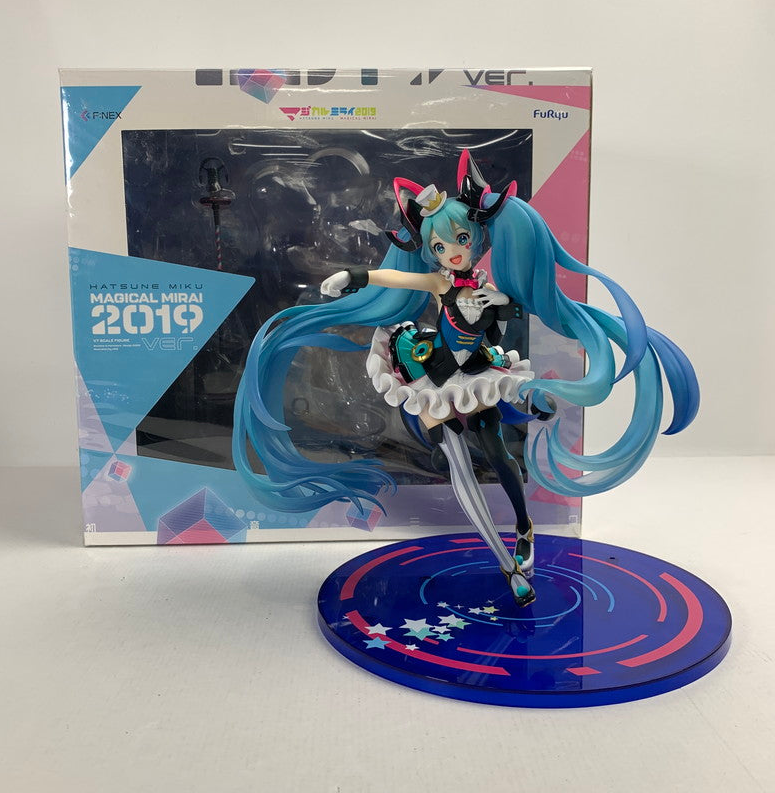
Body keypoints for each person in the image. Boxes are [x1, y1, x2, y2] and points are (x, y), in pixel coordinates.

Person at [233, 151, 699, 607]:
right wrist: (352, 275)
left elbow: (507, 319)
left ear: (476, 237)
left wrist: (500, 305)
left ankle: (524, 525)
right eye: (439, 247)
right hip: (434, 375)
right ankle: (507, 566)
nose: (452, 252)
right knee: (459, 465)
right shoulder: (440, 283)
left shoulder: (491, 289)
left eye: (459, 239)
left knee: (498, 455)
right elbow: (395, 278)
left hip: (475, 377)